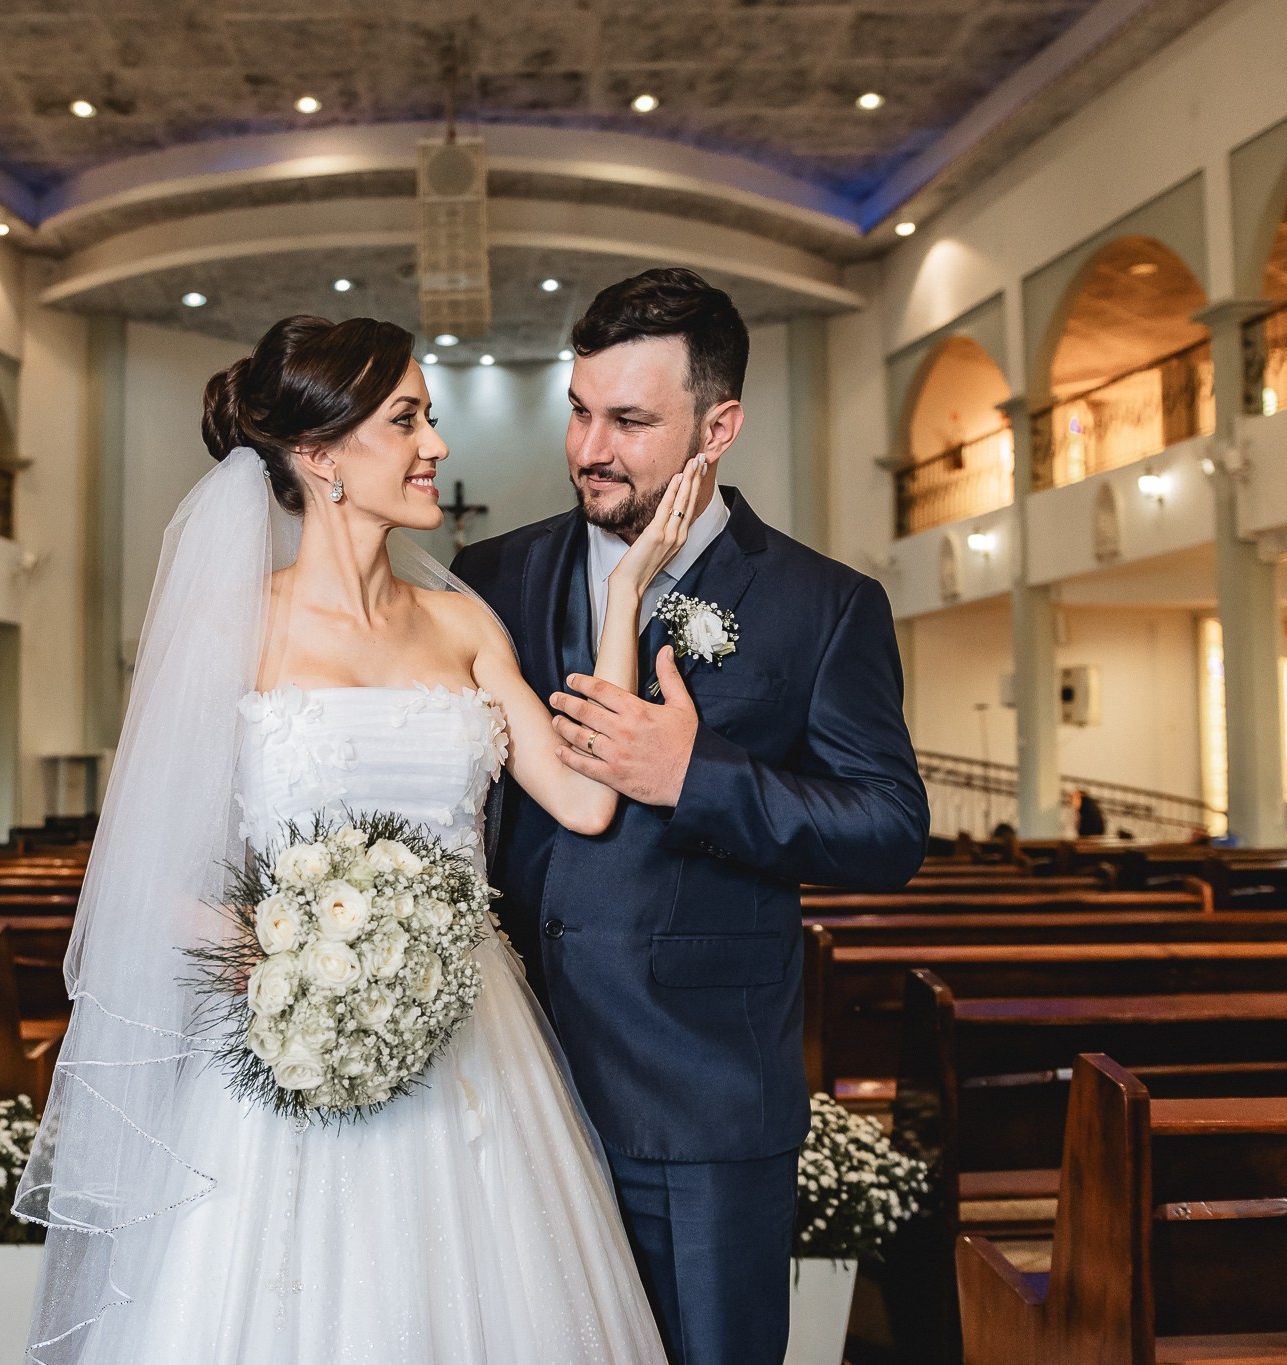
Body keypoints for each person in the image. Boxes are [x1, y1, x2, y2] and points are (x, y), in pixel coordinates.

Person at [15, 314, 690, 1362]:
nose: (437, 446)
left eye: (429, 418)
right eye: (406, 420)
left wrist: (623, 592)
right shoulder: (229, 627)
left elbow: (584, 802)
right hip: (288, 1039)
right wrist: (286, 960)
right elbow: (146, 865)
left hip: (471, 1038)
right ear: (321, 457)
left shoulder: (463, 629)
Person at [454, 268, 929, 1365]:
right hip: (501, 1079)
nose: (588, 448)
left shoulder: (822, 605)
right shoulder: (489, 576)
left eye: (629, 420)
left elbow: (888, 828)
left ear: (717, 427)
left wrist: (695, 775)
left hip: (697, 1100)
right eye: (577, 410)